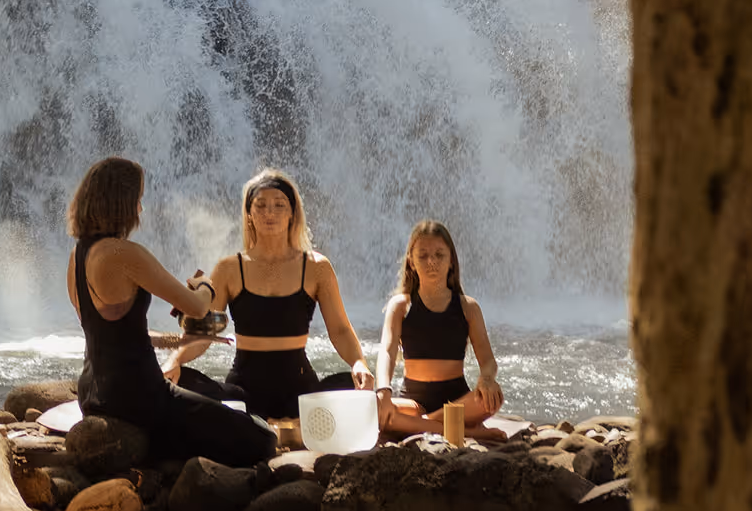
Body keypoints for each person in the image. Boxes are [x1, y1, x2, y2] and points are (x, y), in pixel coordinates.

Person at [66, 157, 275, 467]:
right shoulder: (124, 254)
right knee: (263, 439)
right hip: (141, 397)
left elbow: (108, 333)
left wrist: (176, 342)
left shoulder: (77, 256)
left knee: (218, 399)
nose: (140, 209)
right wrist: (205, 284)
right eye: (137, 200)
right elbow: (198, 306)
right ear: (120, 203)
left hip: (94, 394)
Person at [168, 168, 375, 420]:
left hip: (301, 392)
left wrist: (358, 363)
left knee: (355, 385)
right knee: (182, 380)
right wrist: (175, 360)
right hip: (244, 391)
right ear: (249, 214)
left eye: (279, 205)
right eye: (261, 205)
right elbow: (203, 334)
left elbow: (340, 330)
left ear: (292, 213)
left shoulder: (317, 267)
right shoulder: (229, 269)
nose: (269, 213)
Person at [374, 220, 504, 437]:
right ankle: (469, 433)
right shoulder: (400, 306)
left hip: (458, 401)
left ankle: (420, 425)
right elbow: (387, 351)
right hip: (413, 402)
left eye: (439, 255)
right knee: (374, 407)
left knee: (493, 397)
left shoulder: (468, 307)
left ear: (451, 260)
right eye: (422, 256)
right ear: (411, 262)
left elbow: (488, 360)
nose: (431, 261)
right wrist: (383, 390)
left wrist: (487, 379)